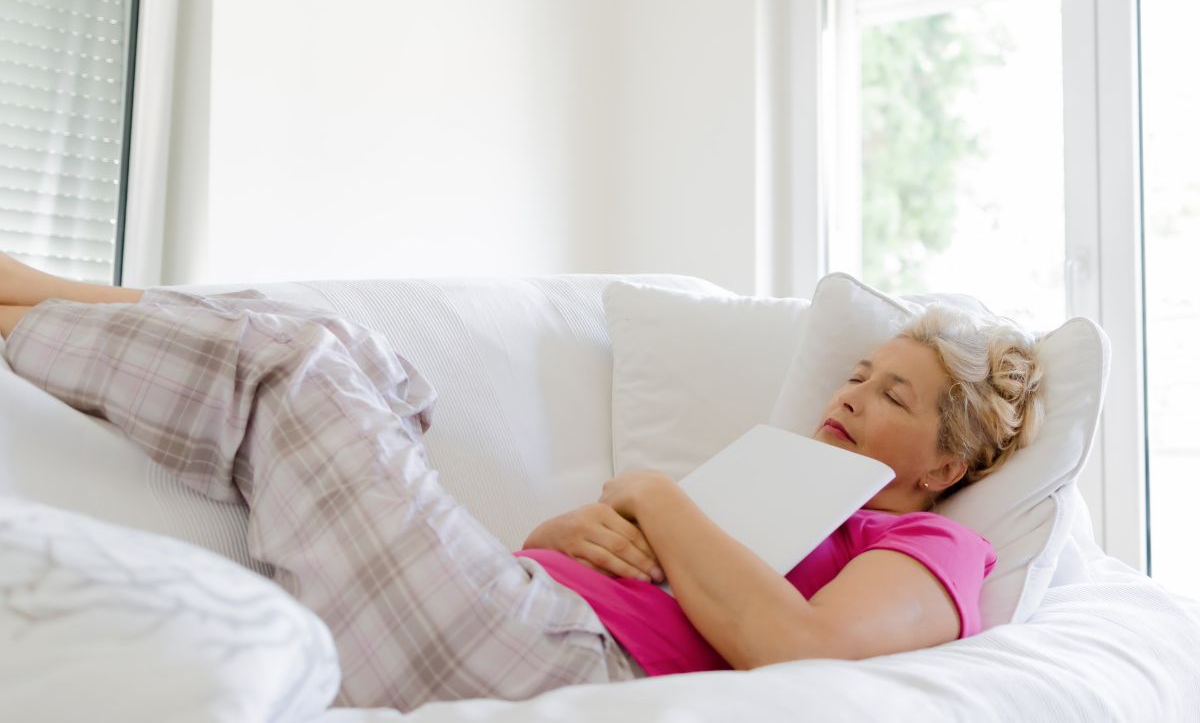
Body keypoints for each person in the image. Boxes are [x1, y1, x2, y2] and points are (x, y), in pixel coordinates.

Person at [0, 254, 1043, 712]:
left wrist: (651, 493)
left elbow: (802, 648)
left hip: (555, 661)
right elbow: (602, 553)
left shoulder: (931, 547)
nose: (855, 393)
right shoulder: (780, 485)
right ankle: (46, 296)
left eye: (892, 392)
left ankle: (27, 301)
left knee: (306, 364)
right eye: (858, 372)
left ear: (945, 461)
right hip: (516, 607)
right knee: (373, 365)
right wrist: (585, 525)